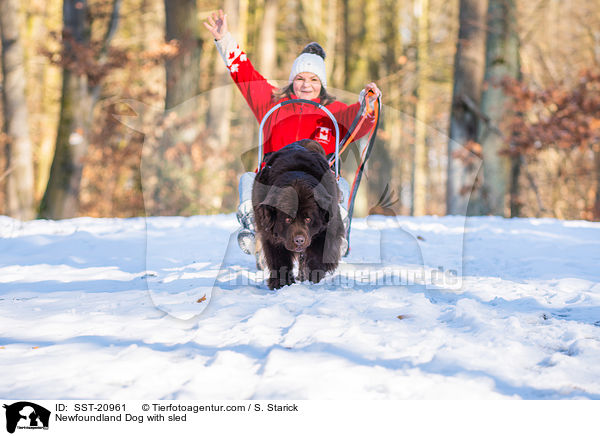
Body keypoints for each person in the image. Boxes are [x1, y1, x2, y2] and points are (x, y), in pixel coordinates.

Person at [204, 9, 381, 256]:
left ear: (322, 84)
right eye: (300, 78)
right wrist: (224, 40)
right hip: (275, 179)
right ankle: (254, 226)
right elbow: (244, 74)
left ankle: (334, 234)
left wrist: (369, 104)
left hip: (316, 182)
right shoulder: (272, 103)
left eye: (313, 79)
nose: (306, 85)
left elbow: (360, 123)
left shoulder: (334, 112)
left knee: (339, 182)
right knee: (247, 180)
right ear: (291, 80)